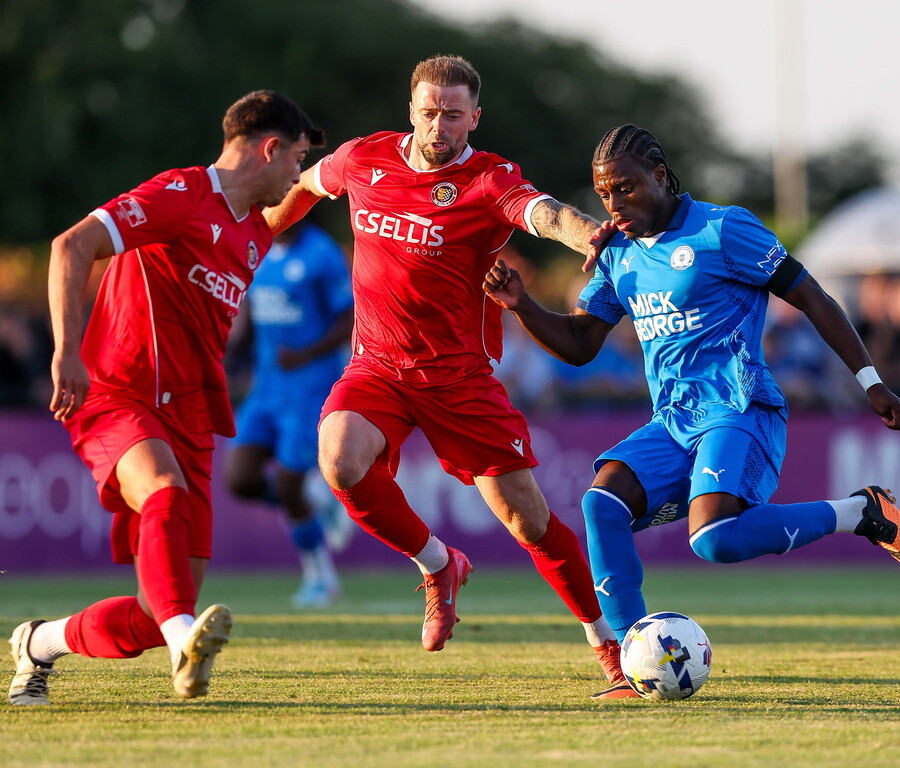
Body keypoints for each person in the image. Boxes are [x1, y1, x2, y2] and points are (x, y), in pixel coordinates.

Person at [483, 124, 900, 699]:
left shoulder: (723, 228)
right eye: (605, 193)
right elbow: (581, 343)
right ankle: (631, 663)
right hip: (673, 420)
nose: (614, 204)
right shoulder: (618, 253)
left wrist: (870, 380)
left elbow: (811, 295)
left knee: (713, 538)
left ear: (660, 176)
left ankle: (860, 512)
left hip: (738, 406)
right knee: (602, 504)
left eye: (626, 188)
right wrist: (522, 305)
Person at [264, 55, 624, 694]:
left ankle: (609, 646)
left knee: (528, 522)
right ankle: (438, 565)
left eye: (453, 115)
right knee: (339, 460)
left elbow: (543, 213)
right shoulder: (364, 158)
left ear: (474, 118)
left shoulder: (487, 179)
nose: (439, 126)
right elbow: (306, 185)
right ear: (411, 110)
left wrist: (589, 234)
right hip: (377, 365)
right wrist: (258, 231)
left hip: (458, 377)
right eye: (429, 112)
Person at [8, 90, 322, 706]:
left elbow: (314, 189)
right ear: (270, 148)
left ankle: (40, 642)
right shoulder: (181, 194)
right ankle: (184, 646)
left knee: (160, 609)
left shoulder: (253, 232)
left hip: (191, 416)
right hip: (118, 391)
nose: (297, 173)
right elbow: (70, 245)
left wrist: (367, 164)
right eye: (297, 158)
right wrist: (67, 350)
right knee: (162, 490)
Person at [225, 218, 354, 608]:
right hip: (265, 389)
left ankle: (322, 578)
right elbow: (252, 314)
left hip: (309, 389)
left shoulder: (321, 253)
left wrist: (305, 354)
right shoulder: (258, 251)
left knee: (288, 485)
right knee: (240, 479)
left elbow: (348, 318)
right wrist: (229, 357)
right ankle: (318, 502)